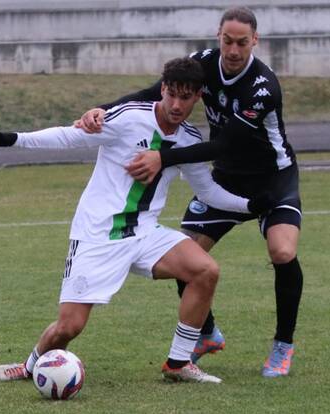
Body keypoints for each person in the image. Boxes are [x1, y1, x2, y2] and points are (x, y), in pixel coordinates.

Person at [0, 57, 277, 385]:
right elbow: (68, 137)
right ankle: (30, 367)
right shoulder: (130, 117)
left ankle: (178, 363)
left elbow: (208, 192)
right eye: (171, 94)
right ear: (162, 89)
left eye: (185, 97)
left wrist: (250, 205)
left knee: (205, 271)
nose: (175, 104)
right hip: (97, 234)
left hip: (144, 232)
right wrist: (8, 138)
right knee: (69, 327)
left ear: (197, 97)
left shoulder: (189, 138)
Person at [76, 7, 303, 378]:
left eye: (242, 43)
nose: (233, 50)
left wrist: (162, 157)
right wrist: (103, 110)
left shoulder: (263, 87)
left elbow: (221, 145)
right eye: (227, 41)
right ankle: (207, 333)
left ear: (255, 41)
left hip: (271, 179)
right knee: (185, 254)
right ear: (218, 35)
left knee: (282, 251)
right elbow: (154, 93)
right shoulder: (202, 64)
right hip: (226, 179)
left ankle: (282, 345)